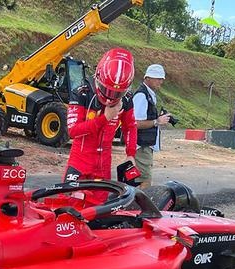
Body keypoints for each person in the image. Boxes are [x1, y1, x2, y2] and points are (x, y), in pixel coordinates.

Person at [63, 48, 138, 200]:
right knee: (70, 207)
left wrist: (131, 154)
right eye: (107, 90)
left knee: (100, 212)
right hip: (80, 162)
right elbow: (73, 131)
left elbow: (130, 126)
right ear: (98, 77)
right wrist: (105, 118)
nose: (111, 98)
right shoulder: (82, 92)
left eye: (118, 94)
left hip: (103, 165)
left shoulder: (128, 99)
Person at [132, 64, 171, 189]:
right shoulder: (141, 96)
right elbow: (135, 123)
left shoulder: (147, 94)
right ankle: (139, 207)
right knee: (145, 181)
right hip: (141, 147)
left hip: (144, 145)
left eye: (162, 79)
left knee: (141, 180)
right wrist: (157, 121)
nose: (161, 81)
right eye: (158, 78)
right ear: (148, 78)